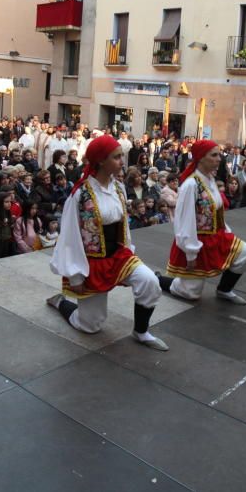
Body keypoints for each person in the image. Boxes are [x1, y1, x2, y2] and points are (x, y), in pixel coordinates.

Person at [45, 135, 168, 351]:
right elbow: (70, 237)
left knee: (149, 282)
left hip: (119, 256)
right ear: (101, 160)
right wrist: (75, 275)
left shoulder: (118, 188)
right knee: (91, 326)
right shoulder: (80, 194)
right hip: (92, 262)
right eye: (117, 157)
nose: (122, 161)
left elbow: (124, 226)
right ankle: (61, 302)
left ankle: (141, 331)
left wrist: (130, 252)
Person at [161, 139, 246, 304]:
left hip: (218, 236)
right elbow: (184, 221)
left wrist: (226, 231)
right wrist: (190, 253)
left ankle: (224, 290)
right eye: (214, 155)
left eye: (219, 154)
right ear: (201, 157)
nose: (219, 159)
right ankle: (158, 280)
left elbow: (216, 211)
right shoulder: (191, 185)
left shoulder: (210, 179)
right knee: (190, 293)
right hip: (198, 242)